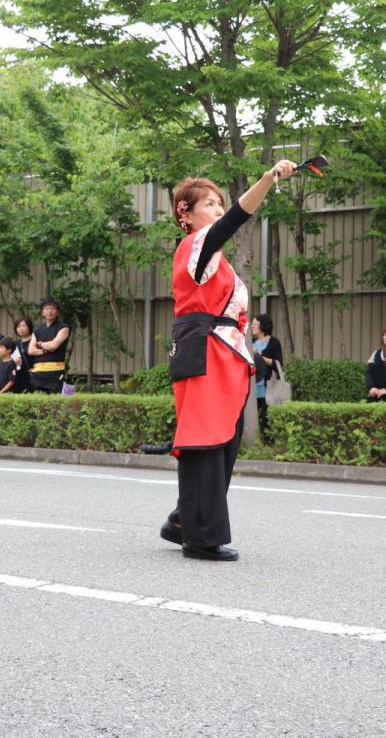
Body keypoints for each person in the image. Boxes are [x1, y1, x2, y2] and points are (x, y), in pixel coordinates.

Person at [159, 160, 298, 562]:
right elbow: (237, 218)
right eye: (209, 204)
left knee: (225, 441)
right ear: (185, 213)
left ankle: (185, 519)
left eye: (220, 204)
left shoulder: (217, 259)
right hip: (205, 348)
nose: (218, 210)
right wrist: (268, 179)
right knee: (206, 439)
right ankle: (200, 537)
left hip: (226, 352)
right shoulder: (195, 245)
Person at [249, 313, 283, 443]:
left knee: (266, 417)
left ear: (263, 325)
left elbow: (278, 363)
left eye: (254, 324)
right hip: (253, 387)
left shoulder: (274, 342)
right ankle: (256, 442)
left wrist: (259, 357)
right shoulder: (251, 343)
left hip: (268, 386)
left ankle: (268, 443)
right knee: (254, 417)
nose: (252, 327)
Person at [28, 296, 70, 393]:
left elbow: (54, 346)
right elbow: (30, 350)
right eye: (47, 309)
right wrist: (45, 350)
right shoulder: (37, 330)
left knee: (60, 403)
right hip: (38, 372)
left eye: (53, 309)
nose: (50, 311)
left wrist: (39, 344)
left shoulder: (64, 328)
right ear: (42, 312)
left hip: (56, 371)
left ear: (57, 312)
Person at [10, 316, 35, 393]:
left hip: (34, 376)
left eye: (23, 326)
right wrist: (14, 361)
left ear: (29, 327)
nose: (21, 329)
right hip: (20, 378)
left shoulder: (35, 341)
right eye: (18, 326)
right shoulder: (15, 344)